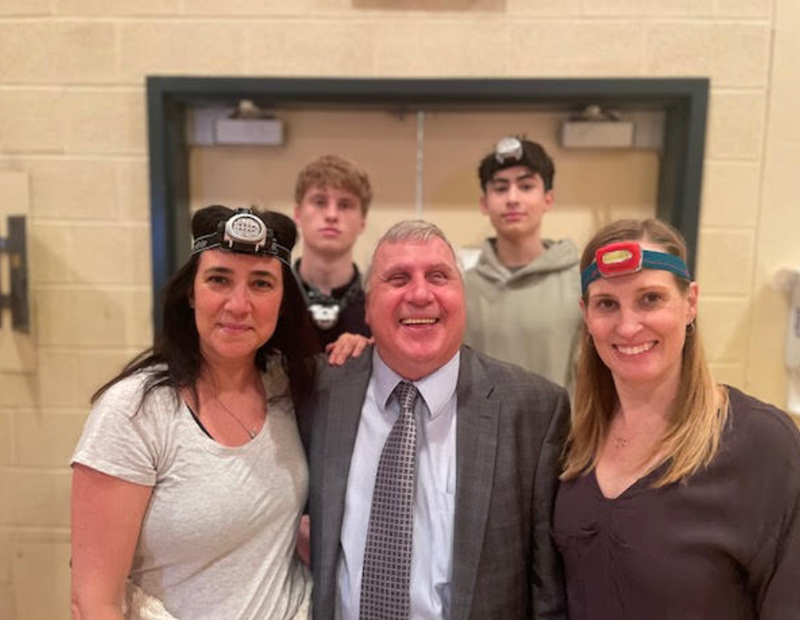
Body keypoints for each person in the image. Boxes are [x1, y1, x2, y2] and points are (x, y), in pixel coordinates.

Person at [301, 220, 570, 620]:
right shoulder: (317, 391)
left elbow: (547, 590)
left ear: (462, 296)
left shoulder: (534, 409)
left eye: (439, 276)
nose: (421, 294)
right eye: (397, 278)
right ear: (369, 308)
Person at [70, 206, 318, 620]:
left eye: (261, 283)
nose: (238, 305)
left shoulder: (287, 387)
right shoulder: (135, 411)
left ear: (282, 301)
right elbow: (93, 603)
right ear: (191, 292)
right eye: (219, 279)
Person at [555, 218, 800, 620]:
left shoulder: (760, 444)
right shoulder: (572, 447)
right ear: (586, 315)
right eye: (607, 304)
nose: (628, 326)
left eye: (650, 299)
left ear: (691, 303)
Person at [464, 136, 582, 389]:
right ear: (485, 203)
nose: (512, 198)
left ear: (547, 199)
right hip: (481, 428)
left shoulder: (582, 284)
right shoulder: (462, 288)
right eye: (500, 188)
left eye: (526, 186)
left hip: (563, 428)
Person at [293, 154, 372, 351]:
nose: (331, 215)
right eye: (320, 202)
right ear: (297, 214)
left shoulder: (379, 308)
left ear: (362, 221)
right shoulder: (271, 300)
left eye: (345, 205)